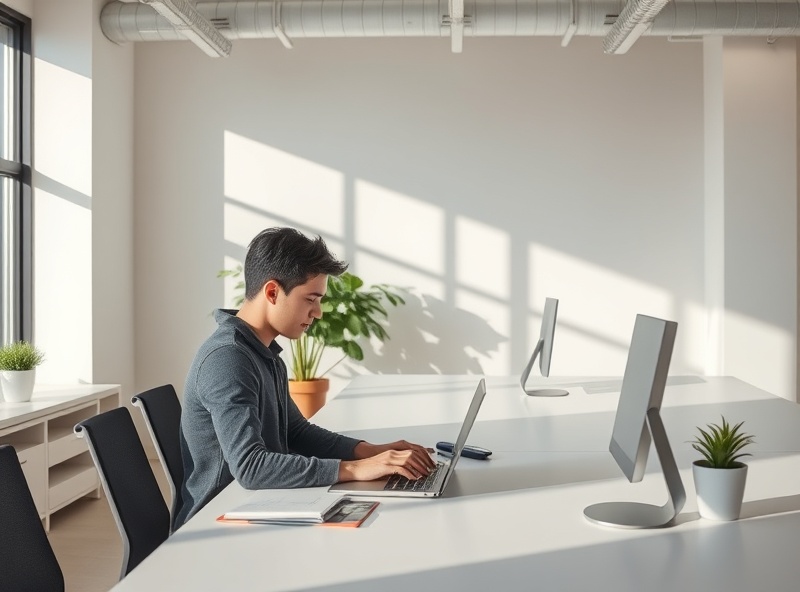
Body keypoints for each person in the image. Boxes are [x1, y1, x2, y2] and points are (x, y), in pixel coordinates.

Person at [174, 227, 435, 529]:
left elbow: (295, 432)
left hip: (259, 504)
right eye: (311, 299)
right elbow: (250, 467)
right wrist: (355, 469)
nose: (319, 312)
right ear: (272, 292)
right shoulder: (228, 359)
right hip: (214, 524)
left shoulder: (262, 351)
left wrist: (372, 452)